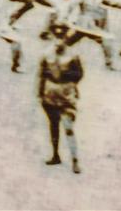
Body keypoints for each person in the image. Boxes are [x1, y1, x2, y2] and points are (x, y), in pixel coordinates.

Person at [38, 21, 83, 174]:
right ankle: (55, 155)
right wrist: (40, 93)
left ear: (66, 38)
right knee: (53, 125)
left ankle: (75, 160)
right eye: (56, 36)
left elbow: (79, 74)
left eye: (62, 37)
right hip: (50, 93)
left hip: (66, 94)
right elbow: (42, 74)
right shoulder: (46, 54)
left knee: (68, 127)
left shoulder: (73, 55)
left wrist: (71, 86)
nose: (59, 40)